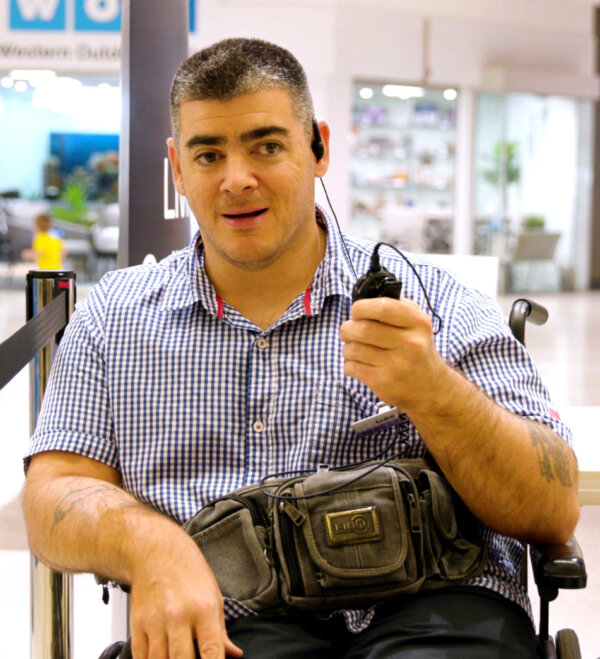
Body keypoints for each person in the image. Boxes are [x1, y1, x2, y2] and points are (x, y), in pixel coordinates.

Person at [23, 38, 579, 659]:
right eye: (209, 155)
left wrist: (433, 391)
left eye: (266, 146)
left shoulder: (435, 301)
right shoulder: (116, 319)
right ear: (178, 169)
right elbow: (55, 492)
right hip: (231, 622)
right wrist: (153, 546)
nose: (238, 179)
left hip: (440, 612)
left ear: (318, 148)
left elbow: (550, 509)